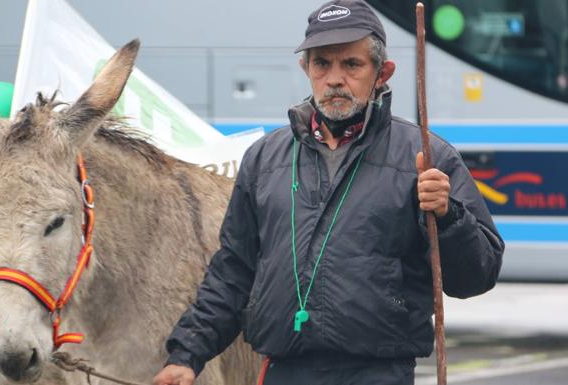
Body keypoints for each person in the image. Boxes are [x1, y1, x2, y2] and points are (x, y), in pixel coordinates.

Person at [152, 1, 504, 384]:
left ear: (382, 72)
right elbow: (233, 271)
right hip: (283, 370)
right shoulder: (265, 159)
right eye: (322, 64)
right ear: (307, 69)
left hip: (378, 374)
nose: (335, 78)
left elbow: (477, 277)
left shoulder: (426, 157)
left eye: (351, 65)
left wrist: (449, 215)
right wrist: (187, 355)